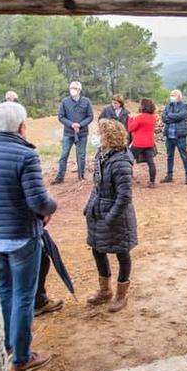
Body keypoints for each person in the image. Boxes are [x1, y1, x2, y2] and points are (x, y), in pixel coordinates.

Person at [0, 102, 57, 371]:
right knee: (24, 296)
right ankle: (22, 358)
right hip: (22, 236)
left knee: (4, 291)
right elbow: (38, 200)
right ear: (22, 126)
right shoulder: (25, 155)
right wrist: (51, 207)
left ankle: (9, 346)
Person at [84, 120, 138, 313]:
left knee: (122, 253)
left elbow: (124, 196)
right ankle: (104, 290)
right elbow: (97, 185)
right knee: (97, 250)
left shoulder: (121, 161)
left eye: (99, 133)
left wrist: (110, 217)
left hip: (117, 217)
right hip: (98, 211)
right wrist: (88, 206)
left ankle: (121, 295)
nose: (96, 136)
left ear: (109, 136)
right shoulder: (102, 155)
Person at [53, 81, 93, 184]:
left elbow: (90, 116)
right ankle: (60, 177)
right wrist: (71, 124)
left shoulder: (86, 101)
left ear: (79, 90)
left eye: (75, 88)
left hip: (82, 133)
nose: (72, 90)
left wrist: (80, 124)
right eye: (71, 88)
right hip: (68, 133)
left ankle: (81, 176)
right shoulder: (65, 101)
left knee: (81, 155)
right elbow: (61, 116)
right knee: (64, 155)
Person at [160, 89, 187, 185]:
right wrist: (173, 117)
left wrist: (169, 116)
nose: (171, 96)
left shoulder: (185, 106)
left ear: (179, 96)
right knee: (169, 156)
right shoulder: (168, 106)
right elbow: (163, 118)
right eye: (171, 95)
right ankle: (169, 176)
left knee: (184, 156)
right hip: (169, 136)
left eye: (173, 95)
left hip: (180, 136)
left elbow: (181, 116)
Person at [128, 98, 159, 188]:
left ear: (143, 106)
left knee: (128, 160)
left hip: (138, 143)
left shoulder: (139, 117)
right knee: (151, 163)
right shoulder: (153, 118)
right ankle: (152, 181)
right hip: (149, 143)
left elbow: (131, 128)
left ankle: (127, 178)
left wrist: (131, 119)